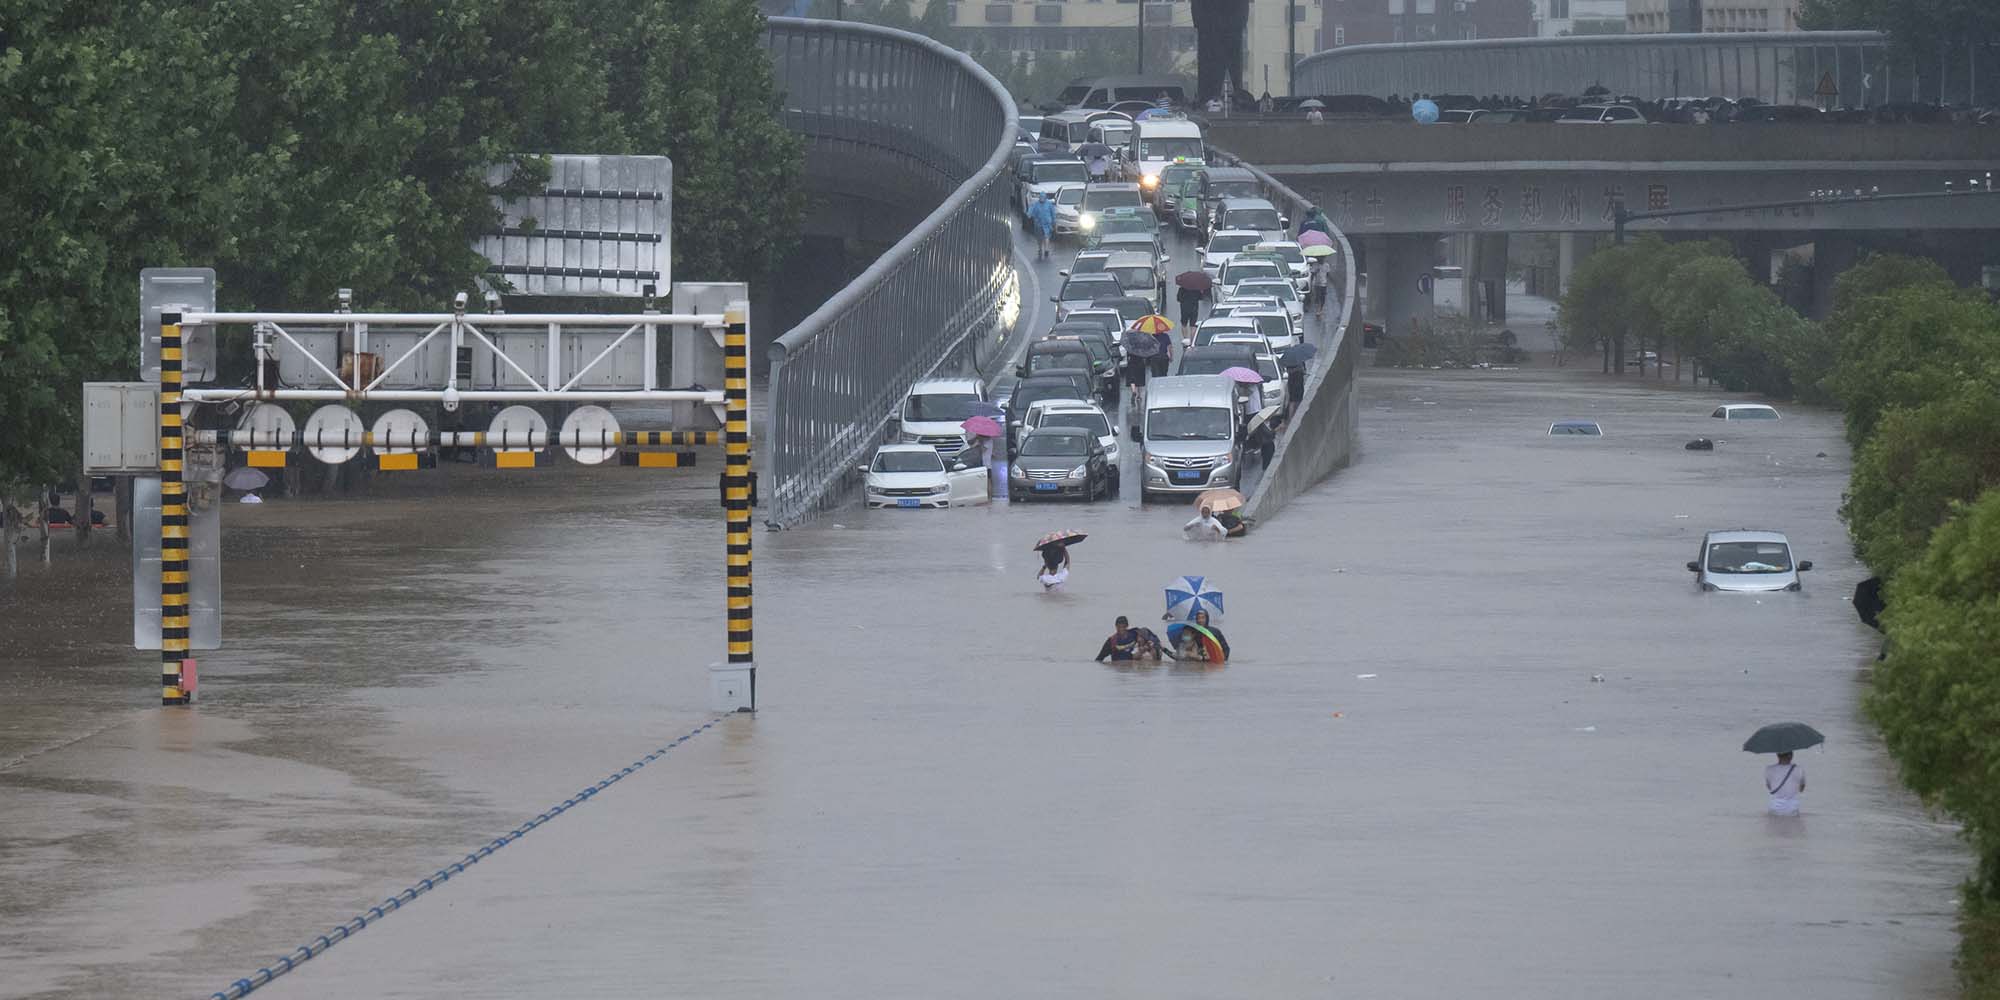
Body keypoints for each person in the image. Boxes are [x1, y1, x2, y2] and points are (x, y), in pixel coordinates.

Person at [1765, 751, 1806, 816]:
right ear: (1791, 755)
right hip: (1792, 810)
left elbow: (1770, 787)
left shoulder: (1769, 769)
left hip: (1775, 808)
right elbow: (1801, 789)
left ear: (1777, 755)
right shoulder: (1799, 769)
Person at [1027, 193, 1055, 259]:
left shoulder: (1049, 204)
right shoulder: (1036, 204)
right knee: (1039, 238)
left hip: (1047, 224)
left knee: (1046, 237)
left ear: (1045, 198)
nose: (1042, 199)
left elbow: (1053, 213)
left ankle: (1046, 250)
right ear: (1039, 198)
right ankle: (1040, 248)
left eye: (1043, 198)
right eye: (1041, 197)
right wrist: (1029, 214)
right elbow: (1031, 209)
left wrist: (1053, 221)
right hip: (1038, 224)